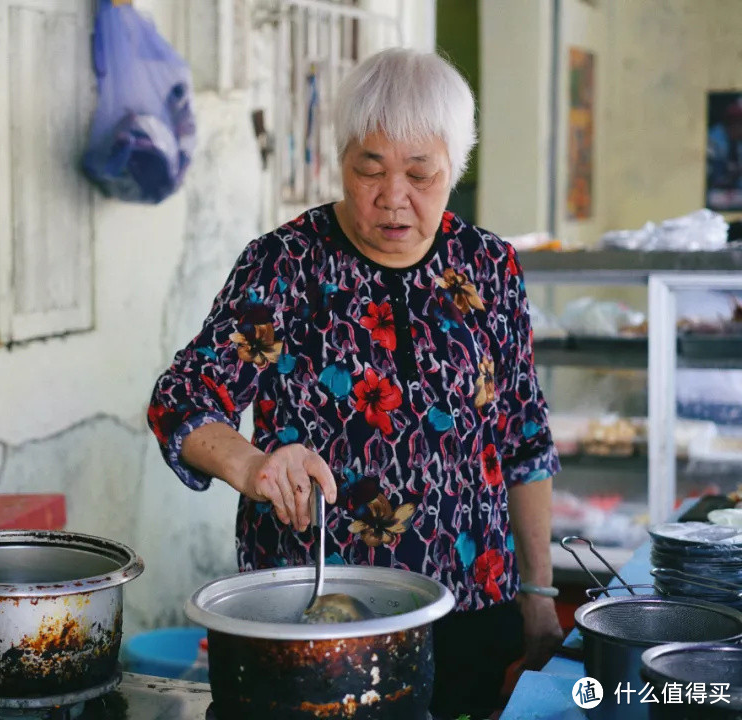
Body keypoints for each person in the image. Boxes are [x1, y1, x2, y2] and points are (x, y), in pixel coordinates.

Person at [148, 47, 562, 720]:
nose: (393, 197)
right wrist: (252, 465)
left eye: (420, 174)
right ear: (341, 159)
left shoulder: (489, 268)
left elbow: (524, 440)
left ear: (454, 166)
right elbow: (183, 400)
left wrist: (539, 596)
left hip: (471, 608)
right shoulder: (284, 266)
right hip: (318, 615)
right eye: (369, 168)